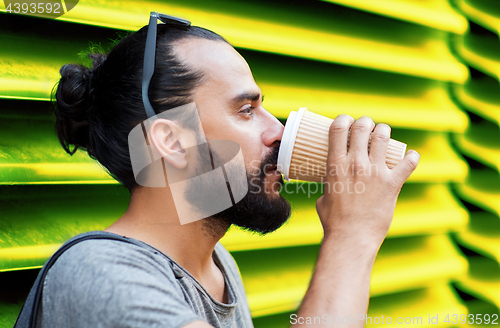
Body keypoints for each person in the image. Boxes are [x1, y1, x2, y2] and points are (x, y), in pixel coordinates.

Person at [25, 12, 419, 328]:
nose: (278, 131)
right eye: (246, 110)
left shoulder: (217, 266)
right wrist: (352, 236)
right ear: (171, 142)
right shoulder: (99, 274)